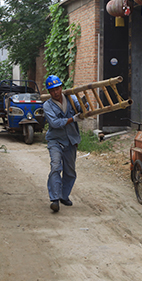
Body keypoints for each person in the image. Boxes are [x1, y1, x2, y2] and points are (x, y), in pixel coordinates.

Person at [43, 75, 83, 213]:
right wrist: (72, 119)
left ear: (61, 87)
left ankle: (63, 196)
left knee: (70, 171)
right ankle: (54, 199)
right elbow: (55, 123)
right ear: (49, 91)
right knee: (55, 166)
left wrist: (84, 106)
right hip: (55, 140)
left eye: (57, 88)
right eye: (52, 90)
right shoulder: (47, 105)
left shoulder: (71, 98)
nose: (56, 92)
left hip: (71, 140)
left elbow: (81, 109)